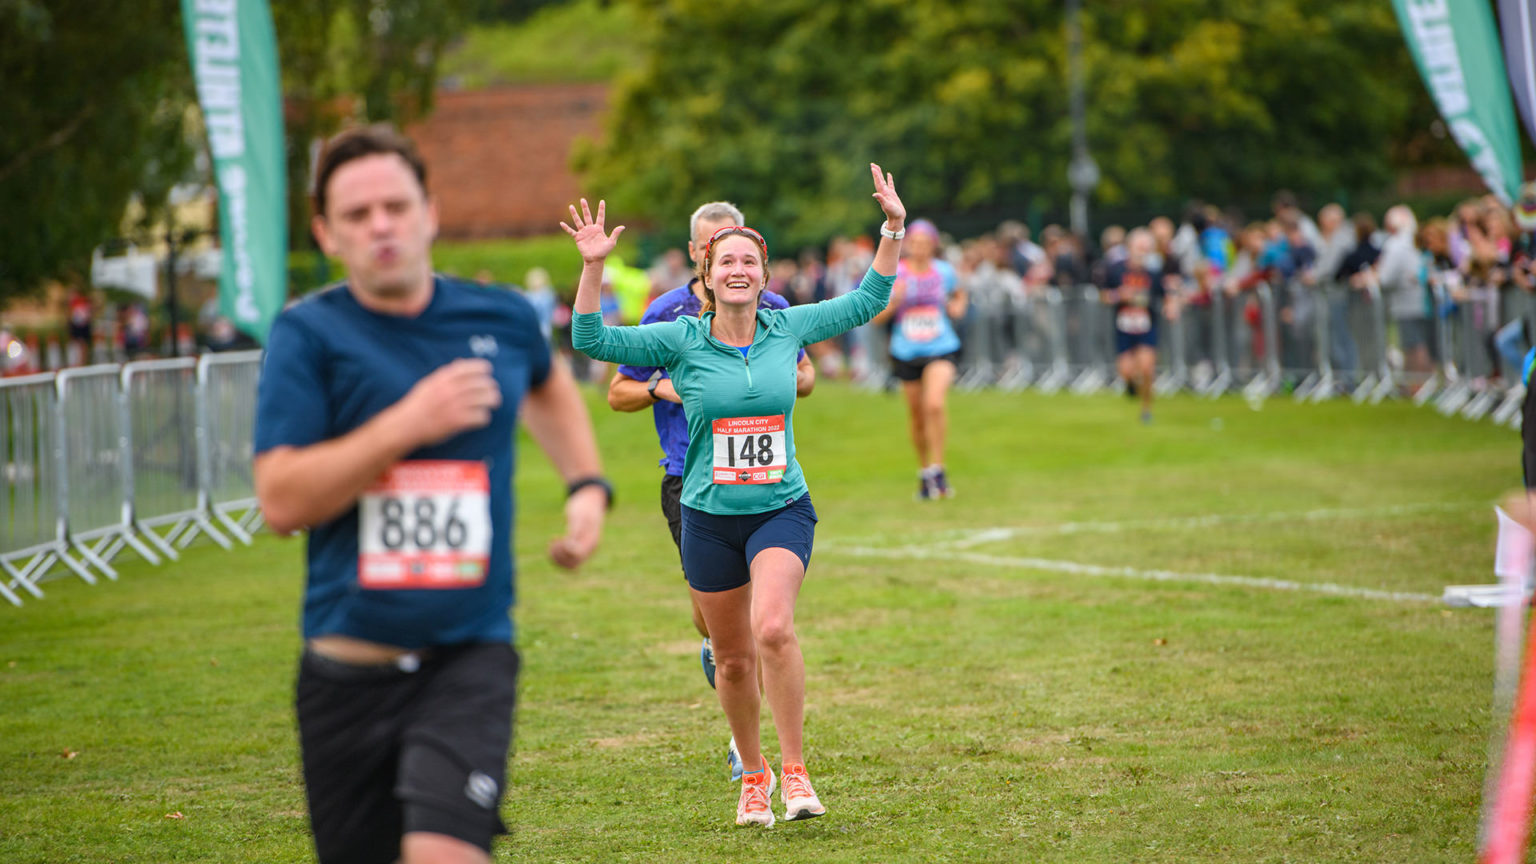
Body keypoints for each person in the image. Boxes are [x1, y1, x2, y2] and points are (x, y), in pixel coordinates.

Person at [253, 124, 610, 864]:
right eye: (357, 215)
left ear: (431, 213)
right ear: (326, 234)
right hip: (345, 671)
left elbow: (546, 385)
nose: (381, 225)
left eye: (396, 205)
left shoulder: (501, 318)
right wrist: (406, 425)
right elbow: (282, 502)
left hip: (468, 656)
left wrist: (586, 486)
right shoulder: (307, 336)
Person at [564, 162, 906, 828]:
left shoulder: (789, 329)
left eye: (750, 260)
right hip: (708, 517)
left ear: (764, 273)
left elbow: (868, 300)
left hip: (780, 507)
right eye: (727, 261)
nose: (739, 270)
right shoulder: (682, 337)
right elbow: (590, 340)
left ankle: (797, 771)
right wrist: (593, 268)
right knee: (732, 657)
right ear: (707, 273)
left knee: (774, 629)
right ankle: (754, 776)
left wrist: (893, 227)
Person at [604, 200, 815, 782]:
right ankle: (728, 672)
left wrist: (783, 377)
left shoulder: (771, 310)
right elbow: (617, 391)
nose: (727, 261)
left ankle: (753, 746)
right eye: (712, 249)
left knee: (767, 624)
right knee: (716, 625)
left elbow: (808, 373)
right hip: (689, 480)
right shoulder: (668, 316)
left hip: (768, 490)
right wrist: (662, 391)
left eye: (742, 252)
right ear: (700, 258)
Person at [871, 219, 966, 499]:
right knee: (917, 415)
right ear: (907, 244)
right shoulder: (896, 273)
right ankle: (925, 472)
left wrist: (957, 307)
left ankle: (939, 468)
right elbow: (877, 318)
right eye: (914, 243)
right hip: (906, 350)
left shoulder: (944, 271)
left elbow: (960, 294)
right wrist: (895, 301)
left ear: (934, 246)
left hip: (941, 346)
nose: (920, 249)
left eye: (925, 244)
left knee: (934, 403)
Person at [1105, 228, 1172, 423]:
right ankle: (1131, 386)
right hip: (1124, 327)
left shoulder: (1154, 273)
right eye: (1139, 247)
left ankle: (1146, 409)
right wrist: (1119, 295)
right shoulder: (1116, 270)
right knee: (1126, 371)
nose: (1142, 251)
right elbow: (1104, 295)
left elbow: (1165, 295)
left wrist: (1171, 307)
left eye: (1146, 248)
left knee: (1147, 368)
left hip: (1146, 326)